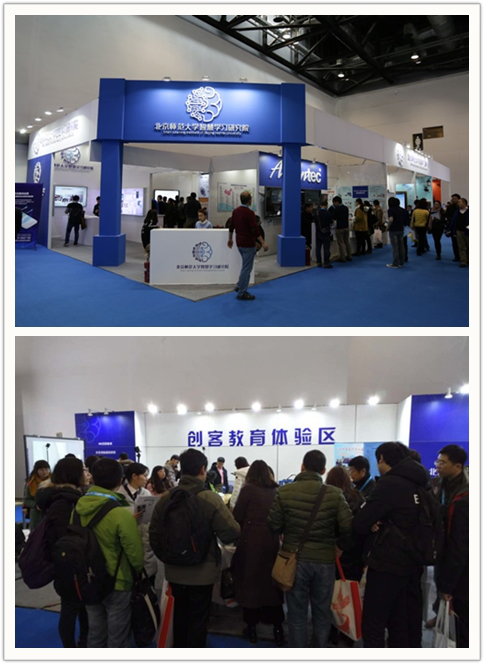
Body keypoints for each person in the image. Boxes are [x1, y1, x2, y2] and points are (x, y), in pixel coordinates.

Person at [149, 449, 240, 648]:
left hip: (174, 570)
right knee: (198, 620)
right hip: (203, 572)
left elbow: (154, 535)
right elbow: (231, 532)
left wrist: (167, 557)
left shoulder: (166, 498)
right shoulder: (210, 498)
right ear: (202, 470)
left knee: (179, 617)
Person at [268, 450, 353, 648]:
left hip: (294, 561)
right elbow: (349, 526)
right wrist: (339, 546)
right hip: (325, 562)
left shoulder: (284, 492)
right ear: (323, 470)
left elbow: (273, 525)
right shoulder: (334, 494)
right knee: (322, 614)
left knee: (296, 614)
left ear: (302, 466)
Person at [353, 442, 430, 647]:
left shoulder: (390, 483)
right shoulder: (421, 482)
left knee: (374, 622)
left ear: (382, 459)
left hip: (386, 562)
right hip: (413, 560)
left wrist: (373, 522)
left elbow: (360, 523)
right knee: (401, 621)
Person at [74, 458, 144, 648]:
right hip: (117, 580)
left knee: (95, 633)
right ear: (120, 480)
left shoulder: (78, 508)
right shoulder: (120, 513)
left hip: (87, 578)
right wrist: (138, 572)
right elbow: (135, 554)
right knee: (118, 636)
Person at [35, 458, 89, 648]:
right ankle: (71, 648)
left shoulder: (62, 497)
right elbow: (61, 537)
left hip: (67, 560)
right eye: (83, 470)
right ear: (73, 474)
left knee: (79, 605)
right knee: (70, 607)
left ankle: (83, 641)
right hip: (68, 562)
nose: (86, 474)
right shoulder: (63, 501)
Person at [232, 460, 285, 646]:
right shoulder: (277, 490)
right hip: (272, 543)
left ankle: (252, 628)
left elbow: (237, 516)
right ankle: (278, 629)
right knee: (272, 587)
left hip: (250, 543)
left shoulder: (248, 490)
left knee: (250, 586)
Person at [433, 445, 469, 647]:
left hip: (462, 569)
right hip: (443, 554)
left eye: (442, 462)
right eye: (437, 461)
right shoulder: (441, 484)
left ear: (457, 466)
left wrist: (448, 585)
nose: (438, 466)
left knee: (463, 621)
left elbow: (460, 546)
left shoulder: (465, 498)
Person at [117, 462, 158, 581]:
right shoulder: (119, 495)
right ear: (134, 476)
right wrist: (129, 519)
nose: (146, 479)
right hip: (128, 540)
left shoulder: (146, 493)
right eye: (144, 476)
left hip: (146, 540)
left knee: (148, 578)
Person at [325, 466, 365, 582]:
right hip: (355, 552)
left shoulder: (327, 498)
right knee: (351, 587)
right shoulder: (358, 497)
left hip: (332, 551)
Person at [227, 190, 268, 301]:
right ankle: (242, 292)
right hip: (248, 244)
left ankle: (239, 285)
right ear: (250, 200)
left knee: (245, 267)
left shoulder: (235, 211)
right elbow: (255, 230)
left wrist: (230, 239)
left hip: (239, 243)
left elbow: (231, 226)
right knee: (247, 269)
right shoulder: (250, 213)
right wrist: (263, 242)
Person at [24, 460, 51, 531]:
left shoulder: (54, 481)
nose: (44, 471)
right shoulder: (31, 483)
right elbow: (27, 499)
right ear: (36, 470)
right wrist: (35, 505)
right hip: (36, 513)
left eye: (46, 469)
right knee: (36, 533)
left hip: (51, 511)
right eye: (41, 469)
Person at [386, 196, 408, 268]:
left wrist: (388, 226)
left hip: (393, 229)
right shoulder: (401, 210)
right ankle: (401, 262)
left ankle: (395, 263)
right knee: (401, 246)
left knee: (395, 247)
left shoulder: (390, 210)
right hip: (400, 229)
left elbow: (391, 219)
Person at [329, 196, 352, 263]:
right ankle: (349, 255)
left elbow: (333, 217)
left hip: (340, 228)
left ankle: (342, 257)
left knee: (341, 243)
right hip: (346, 227)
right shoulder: (346, 208)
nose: (334, 204)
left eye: (334, 203)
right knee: (347, 242)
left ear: (337, 202)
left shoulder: (337, 209)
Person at [315, 198, 334, 268]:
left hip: (318, 232)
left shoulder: (316, 213)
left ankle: (318, 262)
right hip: (326, 232)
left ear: (320, 205)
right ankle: (326, 262)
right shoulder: (328, 213)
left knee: (318, 248)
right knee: (326, 248)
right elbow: (331, 223)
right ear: (326, 205)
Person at [451, 197, 469, 268]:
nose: (458, 203)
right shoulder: (457, 211)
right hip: (459, 231)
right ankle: (463, 261)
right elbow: (453, 221)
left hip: (468, 231)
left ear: (464, 203)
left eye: (460, 202)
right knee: (461, 247)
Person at [444, 193, 461, 262]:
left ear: (458, 199)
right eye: (452, 198)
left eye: (455, 198)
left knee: (463, 243)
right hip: (452, 227)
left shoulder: (461, 207)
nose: (453, 200)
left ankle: (464, 256)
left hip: (461, 227)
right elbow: (447, 215)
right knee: (454, 243)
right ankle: (456, 256)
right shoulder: (450, 207)